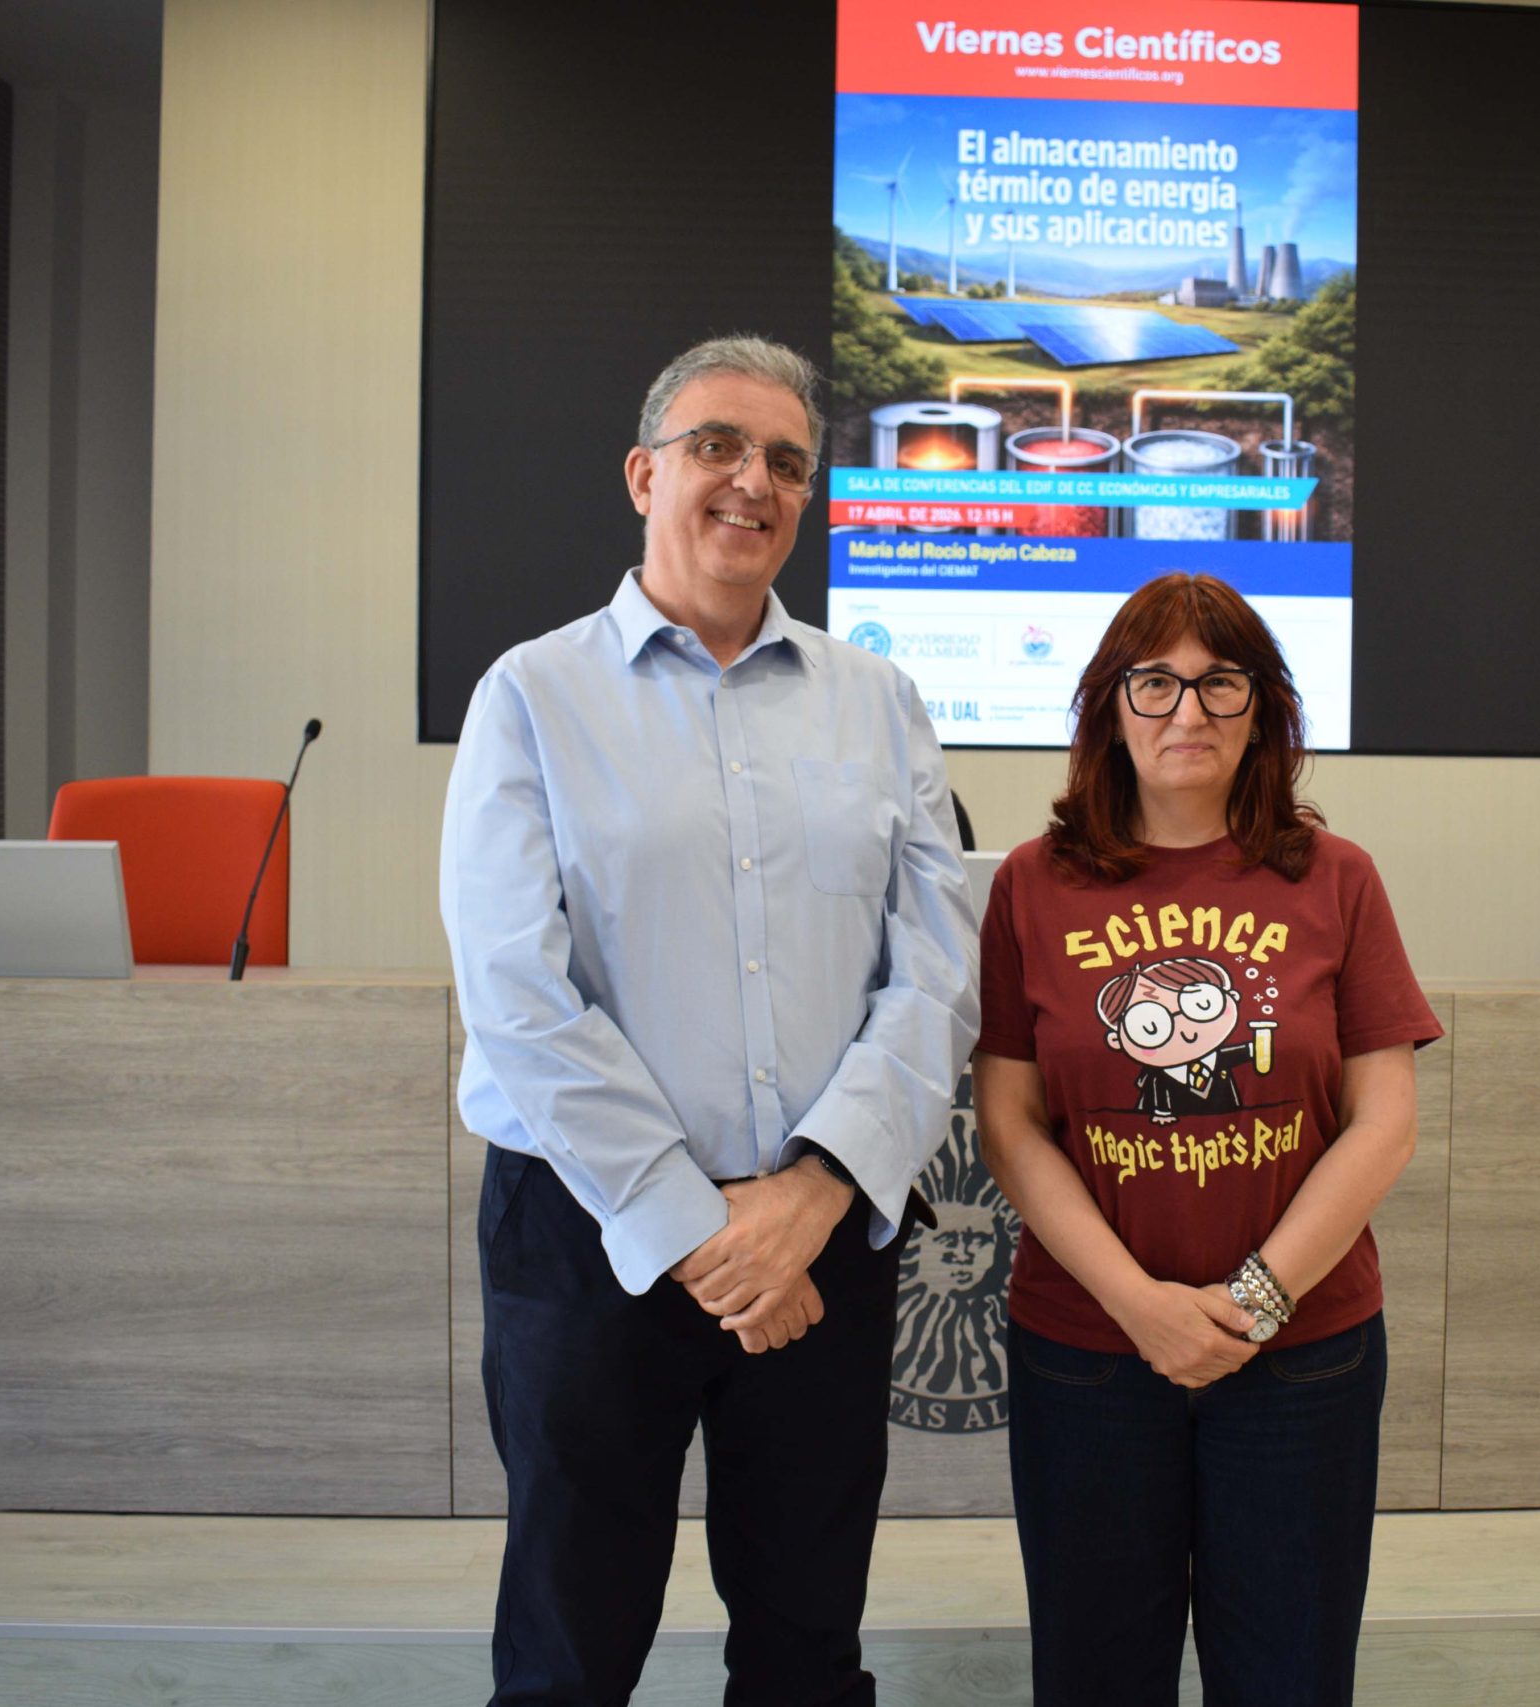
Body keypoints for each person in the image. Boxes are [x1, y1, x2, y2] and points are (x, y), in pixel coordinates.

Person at [440, 334, 980, 1706]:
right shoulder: (531, 694)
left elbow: (939, 968)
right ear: (644, 473)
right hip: (588, 1233)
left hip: (823, 1244)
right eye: (718, 447)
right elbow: (516, 989)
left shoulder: (885, 703)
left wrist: (811, 1193)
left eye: (787, 462)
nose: (754, 481)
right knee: (568, 1646)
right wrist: (697, 1226)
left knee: (805, 1644)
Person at [973, 572, 1440, 1706]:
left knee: (1289, 1677)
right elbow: (1009, 1120)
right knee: (1094, 1678)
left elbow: (1383, 1122)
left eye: (1220, 683)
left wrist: (1257, 1302)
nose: (1187, 713)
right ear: (1107, 708)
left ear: (1264, 711)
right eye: (1155, 683)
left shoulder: (1338, 880)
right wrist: (1139, 1304)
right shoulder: (1033, 886)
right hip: (1086, 1352)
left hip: (1302, 1360)